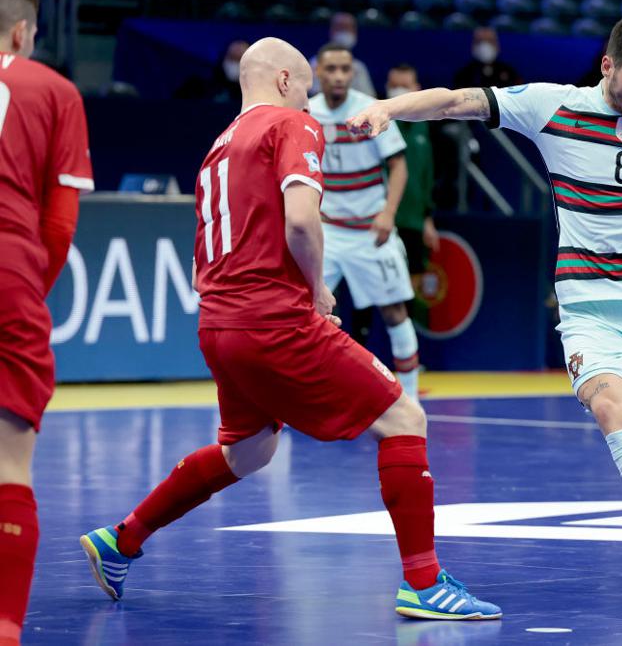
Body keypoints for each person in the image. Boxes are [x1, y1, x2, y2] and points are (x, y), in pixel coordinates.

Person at [78, 37, 499, 621]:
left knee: (248, 451)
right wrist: (317, 288)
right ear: (283, 82)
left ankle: (121, 539)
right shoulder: (292, 126)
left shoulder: (216, 149)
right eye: (303, 86)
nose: (308, 99)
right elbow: (302, 221)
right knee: (404, 416)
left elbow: (204, 253)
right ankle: (423, 584)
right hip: (273, 318)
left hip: (219, 325)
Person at [349, 15, 622, 595]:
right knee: (610, 408)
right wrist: (387, 108)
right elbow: (456, 101)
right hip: (591, 305)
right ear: (607, 66)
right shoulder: (553, 107)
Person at [0, 0, 93, 643]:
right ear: (25, 32)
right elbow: (59, 224)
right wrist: (30, 284)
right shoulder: (54, 90)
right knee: (10, 464)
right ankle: (4, 627)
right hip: (9, 267)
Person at [310, 44, 421, 398]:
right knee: (306, 312)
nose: (339, 76)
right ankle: (305, 393)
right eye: (332, 69)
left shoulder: (370, 109)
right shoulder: (306, 112)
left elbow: (399, 165)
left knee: (394, 312)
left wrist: (388, 214)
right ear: (319, 73)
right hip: (326, 231)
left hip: (369, 230)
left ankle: (411, 397)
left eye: (346, 69)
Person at [386, 63, 440, 295]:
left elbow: (427, 175)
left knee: (411, 288)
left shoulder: (426, 127)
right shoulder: (379, 123)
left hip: (414, 221)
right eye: (394, 86)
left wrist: (427, 218)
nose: (398, 91)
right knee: (372, 292)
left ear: (417, 88)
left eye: (404, 86)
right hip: (381, 220)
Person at [322, 13, 375, 97]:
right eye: (340, 27)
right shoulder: (317, 63)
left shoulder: (359, 67)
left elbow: (369, 97)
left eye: (347, 27)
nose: (339, 77)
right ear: (331, 30)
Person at [453, 27, 521, 89]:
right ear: (473, 45)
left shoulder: (509, 72)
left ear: (497, 45)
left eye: (489, 41)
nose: (485, 45)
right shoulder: (464, 74)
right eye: (479, 41)